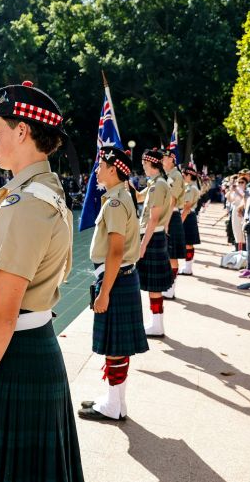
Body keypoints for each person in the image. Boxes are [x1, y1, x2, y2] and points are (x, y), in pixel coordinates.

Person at [0, 82, 83, 482]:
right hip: (23, 353)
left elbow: (2, 314)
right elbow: (3, 227)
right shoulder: (35, 191)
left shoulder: (27, 204)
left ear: (22, 131)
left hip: (10, 360)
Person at [77, 146, 148, 422]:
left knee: (115, 348)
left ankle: (114, 406)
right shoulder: (119, 197)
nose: (97, 170)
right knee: (116, 347)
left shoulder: (116, 202)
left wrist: (104, 292)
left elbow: (116, 251)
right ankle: (115, 402)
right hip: (120, 277)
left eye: (100, 166)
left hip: (116, 279)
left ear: (113, 169)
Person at [136, 149, 173, 337]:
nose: (142, 167)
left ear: (151, 164)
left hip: (152, 237)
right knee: (153, 285)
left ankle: (157, 325)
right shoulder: (155, 183)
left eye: (144, 164)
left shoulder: (158, 185)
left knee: (154, 285)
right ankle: (156, 322)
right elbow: (139, 197)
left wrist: (142, 246)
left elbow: (153, 217)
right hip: (155, 235)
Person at [161, 149, 185, 299]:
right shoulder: (168, 175)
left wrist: (166, 221)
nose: (162, 160)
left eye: (164, 157)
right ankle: (169, 286)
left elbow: (173, 200)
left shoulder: (176, 175)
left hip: (172, 215)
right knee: (168, 254)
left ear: (172, 159)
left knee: (172, 254)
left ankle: (171, 288)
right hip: (168, 215)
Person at [179, 166, 202, 275]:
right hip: (189, 216)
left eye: (184, 175)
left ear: (189, 176)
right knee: (188, 243)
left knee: (188, 244)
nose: (182, 177)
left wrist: (180, 222)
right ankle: (187, 267)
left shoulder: (191, 188)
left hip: (187, 216)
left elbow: (187, 207)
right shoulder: (191, 187)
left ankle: (188, 268)